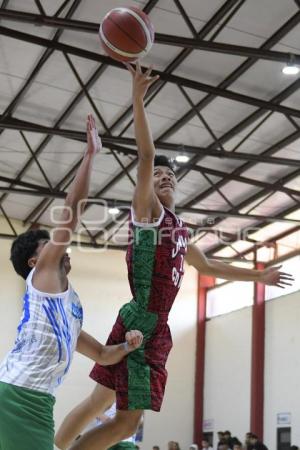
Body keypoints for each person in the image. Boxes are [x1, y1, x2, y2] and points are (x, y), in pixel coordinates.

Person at [55, 63, 294, 450]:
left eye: (172, 176)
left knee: (98, 401)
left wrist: (259, 276)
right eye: (160, 175)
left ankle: (56, 445)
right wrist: (137, 97)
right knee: (126, 421)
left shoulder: (180, 230)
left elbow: (210, 266)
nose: (165, 177)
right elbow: (146, 156)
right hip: (142, 321)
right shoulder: (148, 212)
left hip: (155, 324)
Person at [0, 115, 143, 450]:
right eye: (47, 246)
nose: (58, 248)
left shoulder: (69, 307)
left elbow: (105, 355)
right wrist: (90, 156)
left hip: (38, 402)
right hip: (18, 396)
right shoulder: (42, 277)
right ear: (35, 262)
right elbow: (71, 213)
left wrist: (129, 345)